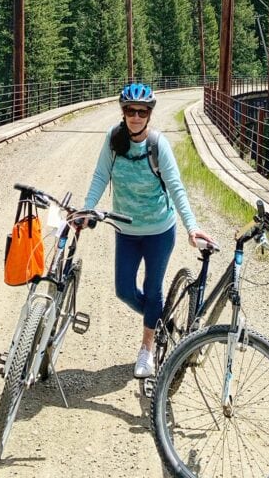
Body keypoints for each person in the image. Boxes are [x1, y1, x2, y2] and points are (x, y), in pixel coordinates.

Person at [82, 82, 215, 379]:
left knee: (153, 289)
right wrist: (88, 208)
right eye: (130, 110)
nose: (136, 116)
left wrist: (192, 228)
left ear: (150, 114)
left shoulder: (158, 145)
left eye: (142, 111)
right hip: (126, 230)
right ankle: (161, 320)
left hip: (159, 230)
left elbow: (177, 188)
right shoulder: (113, 140)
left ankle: (146, 349)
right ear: (123, 112)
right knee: (124, 290)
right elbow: (101, 175)